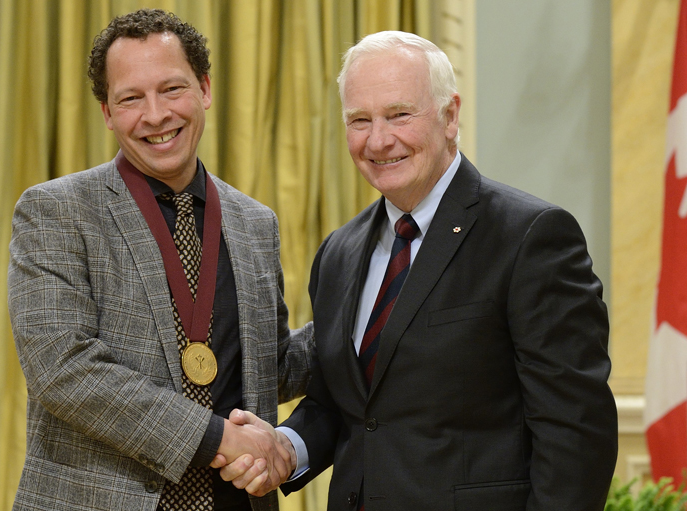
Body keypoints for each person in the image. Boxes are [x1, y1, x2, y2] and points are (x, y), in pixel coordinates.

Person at [216, 31, 618, 510]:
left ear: (450, 116)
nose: (379, 140)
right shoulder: (338, 253)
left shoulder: (531, 237)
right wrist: (287, 448)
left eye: (399, 114)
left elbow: (575, 431)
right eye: (359, 120)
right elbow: (342, 406)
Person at [7, 8, 311, 511]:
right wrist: (218, 438)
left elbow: (269, 366)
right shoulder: (55, 212)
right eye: (131, 98)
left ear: (205, 89)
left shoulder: (256, 223)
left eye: (172, 89)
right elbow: (62, 368)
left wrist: (370, 305)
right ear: (107, 113)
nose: (155, 115)